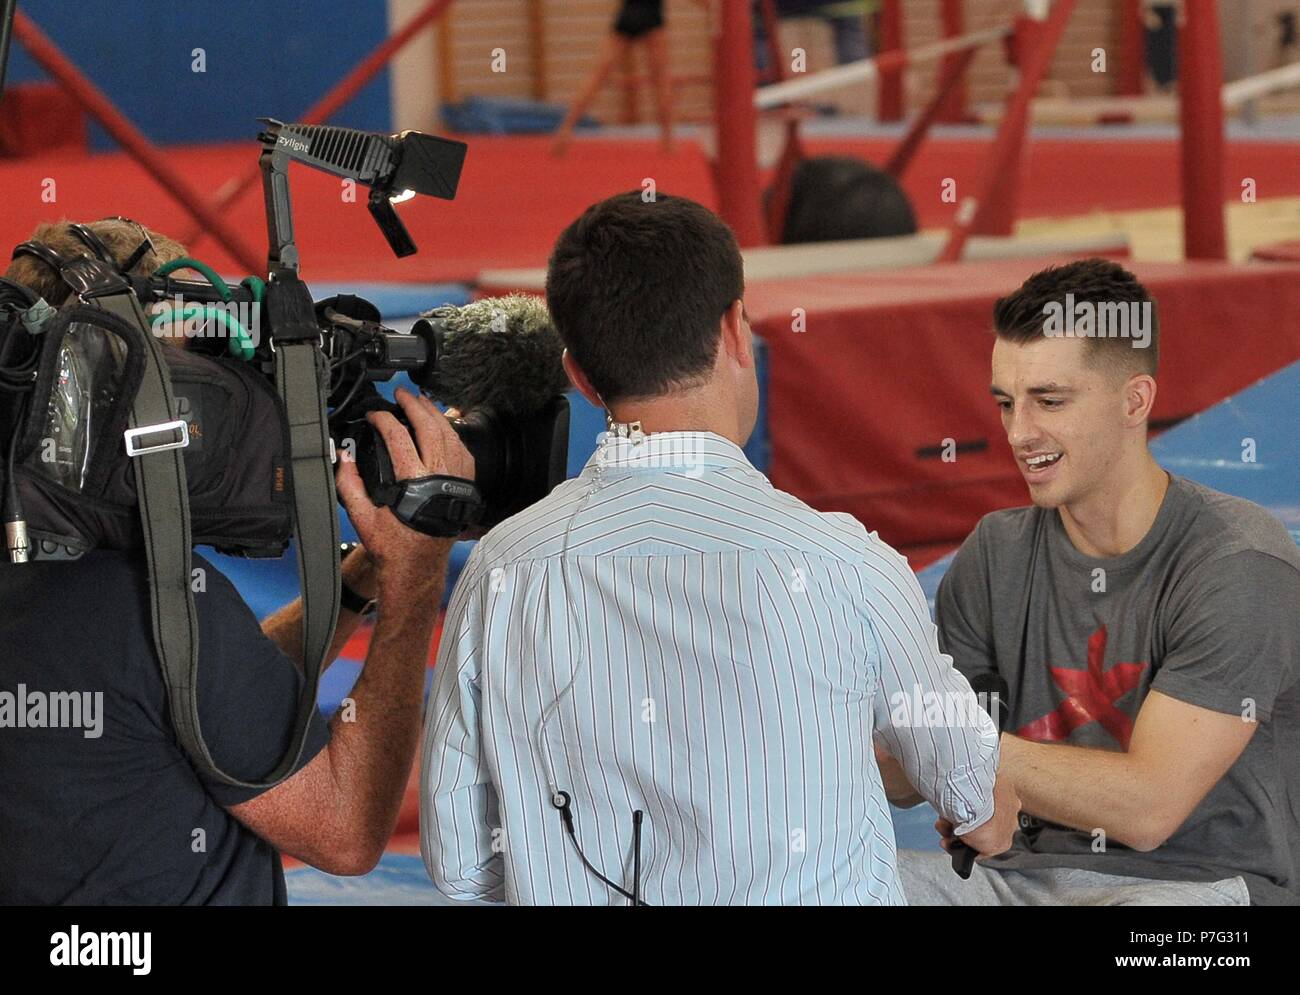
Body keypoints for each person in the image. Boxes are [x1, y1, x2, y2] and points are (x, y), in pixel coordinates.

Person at [418, 191, 1018, 905]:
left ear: (579, 376)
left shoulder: (499, 571)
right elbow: (975, 793)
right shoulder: (851, 568)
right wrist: (979, 810)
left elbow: (460, 863)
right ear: (737, 328)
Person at [0, 218, 475, 904]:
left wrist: (357, 583)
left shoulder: (83, 587)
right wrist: (417, 574)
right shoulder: (148, 606)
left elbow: (199, 706)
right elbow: (345, 830)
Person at [884, 259, 1300, 906]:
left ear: (1135, 400)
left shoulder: (1237, 561)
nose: (1020, 432)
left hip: (1197, 894)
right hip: (1016, 883)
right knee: (825, 883)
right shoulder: (995, 553)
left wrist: (954, 746)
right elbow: (912, 772)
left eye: (1049, 401)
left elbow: (1149, 804)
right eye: (1005, 403)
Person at [551, 0, 686, 157]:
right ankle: (668, 141)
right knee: (661, 79)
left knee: (598, 75)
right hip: (651, 16)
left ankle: (565, 129)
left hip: (629, 14)